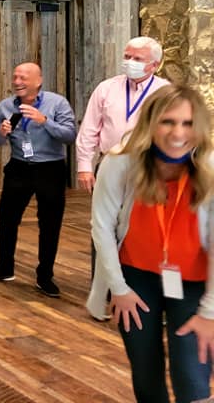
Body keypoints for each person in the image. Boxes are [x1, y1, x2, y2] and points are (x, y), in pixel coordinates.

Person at [89, 85, 214, 403]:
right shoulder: (120, 162)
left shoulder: (210, 167)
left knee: (192, 376)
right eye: (168, 121)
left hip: (193, 283)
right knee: (146, 373)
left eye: (187, 124)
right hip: (136, 280)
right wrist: (118, 288)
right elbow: (102, 227)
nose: (177, 133)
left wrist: (210, 312)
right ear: (151, 123)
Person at [77, 36, 169, 319]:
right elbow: (90, 127)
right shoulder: (107, 88)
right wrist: (84, 165)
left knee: (144, 226)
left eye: (138, 59)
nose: (129, 62)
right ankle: (104, 290)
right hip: (110, 163)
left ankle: (141, 285)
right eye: (127, 56)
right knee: (103, 226)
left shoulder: (165, 92)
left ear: (153, 65)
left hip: (148, 166)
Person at [0, 62, 77, 297]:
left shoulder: (57, 103)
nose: (17, 82)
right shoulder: (5, 106)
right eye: (15, 77)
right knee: (7, 218)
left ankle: (45, 276)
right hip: (19, 167)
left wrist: (45, 121)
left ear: (37, 81)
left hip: (50, 169)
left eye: (23, 77)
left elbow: (70, 135)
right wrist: (1, 133)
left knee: (49, 223)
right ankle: (5, 267)